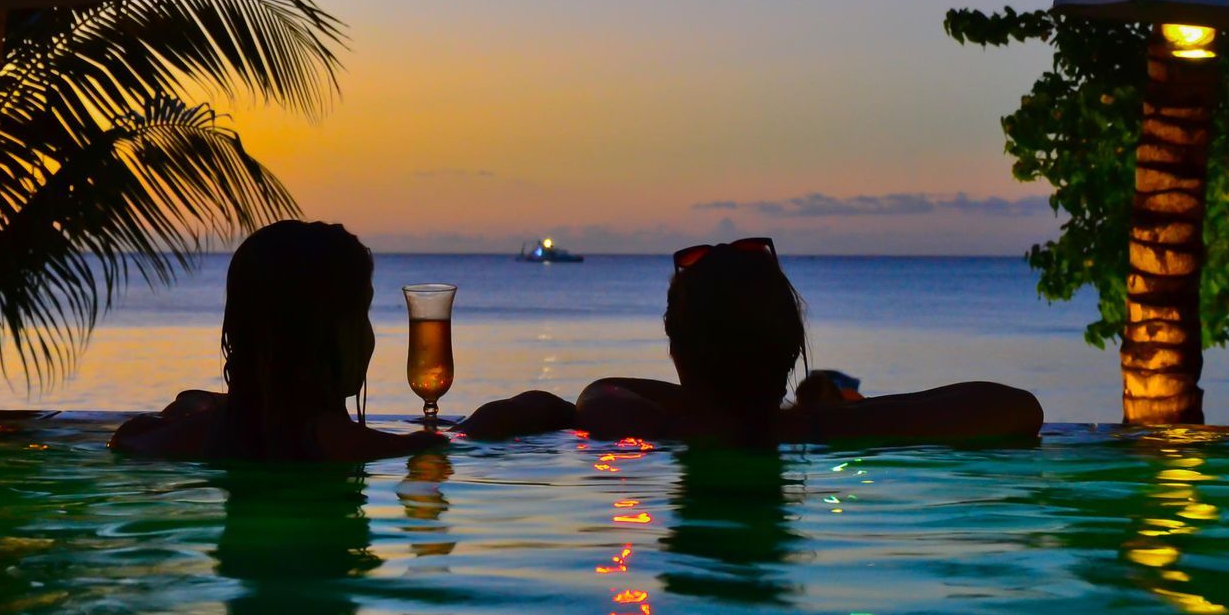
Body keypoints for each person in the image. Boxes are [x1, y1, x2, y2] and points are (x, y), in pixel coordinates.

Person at [469, 237, 1043, 443]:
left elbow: (601, 395)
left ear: (676, 349)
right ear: (792, 346)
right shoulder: (823, 434)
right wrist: (814, 424)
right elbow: (1016, 408)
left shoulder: (645, 424)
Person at [110, 221, 441, 461]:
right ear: (325, 331)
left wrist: (245, 398)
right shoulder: (336, 441)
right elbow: (434, 445)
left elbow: (139, 431)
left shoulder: (198, 433)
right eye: (362, 313)